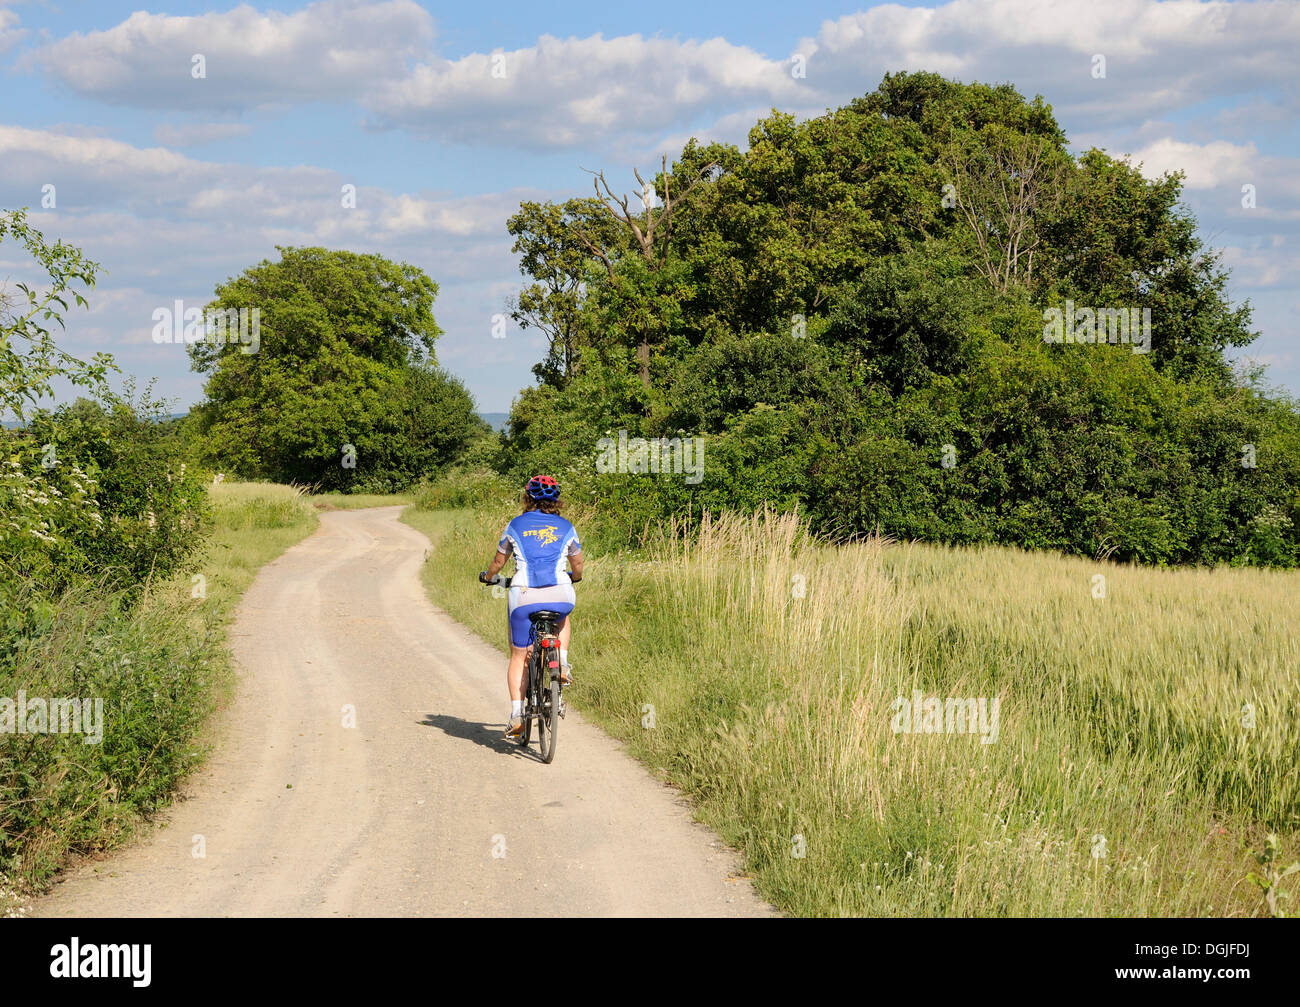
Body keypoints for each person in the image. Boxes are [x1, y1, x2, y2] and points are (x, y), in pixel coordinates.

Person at [480, 475, 583, 739]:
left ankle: (517, 715)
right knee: (563, 617)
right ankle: (562, 663)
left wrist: (489, 577)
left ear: (528, 497)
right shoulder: (566, 526)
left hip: (523, 595)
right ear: (556, 500)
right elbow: (578, 565)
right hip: (560, 593)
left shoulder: (516, 525)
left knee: (519, 656)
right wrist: (576, 577)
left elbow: (499, 561)